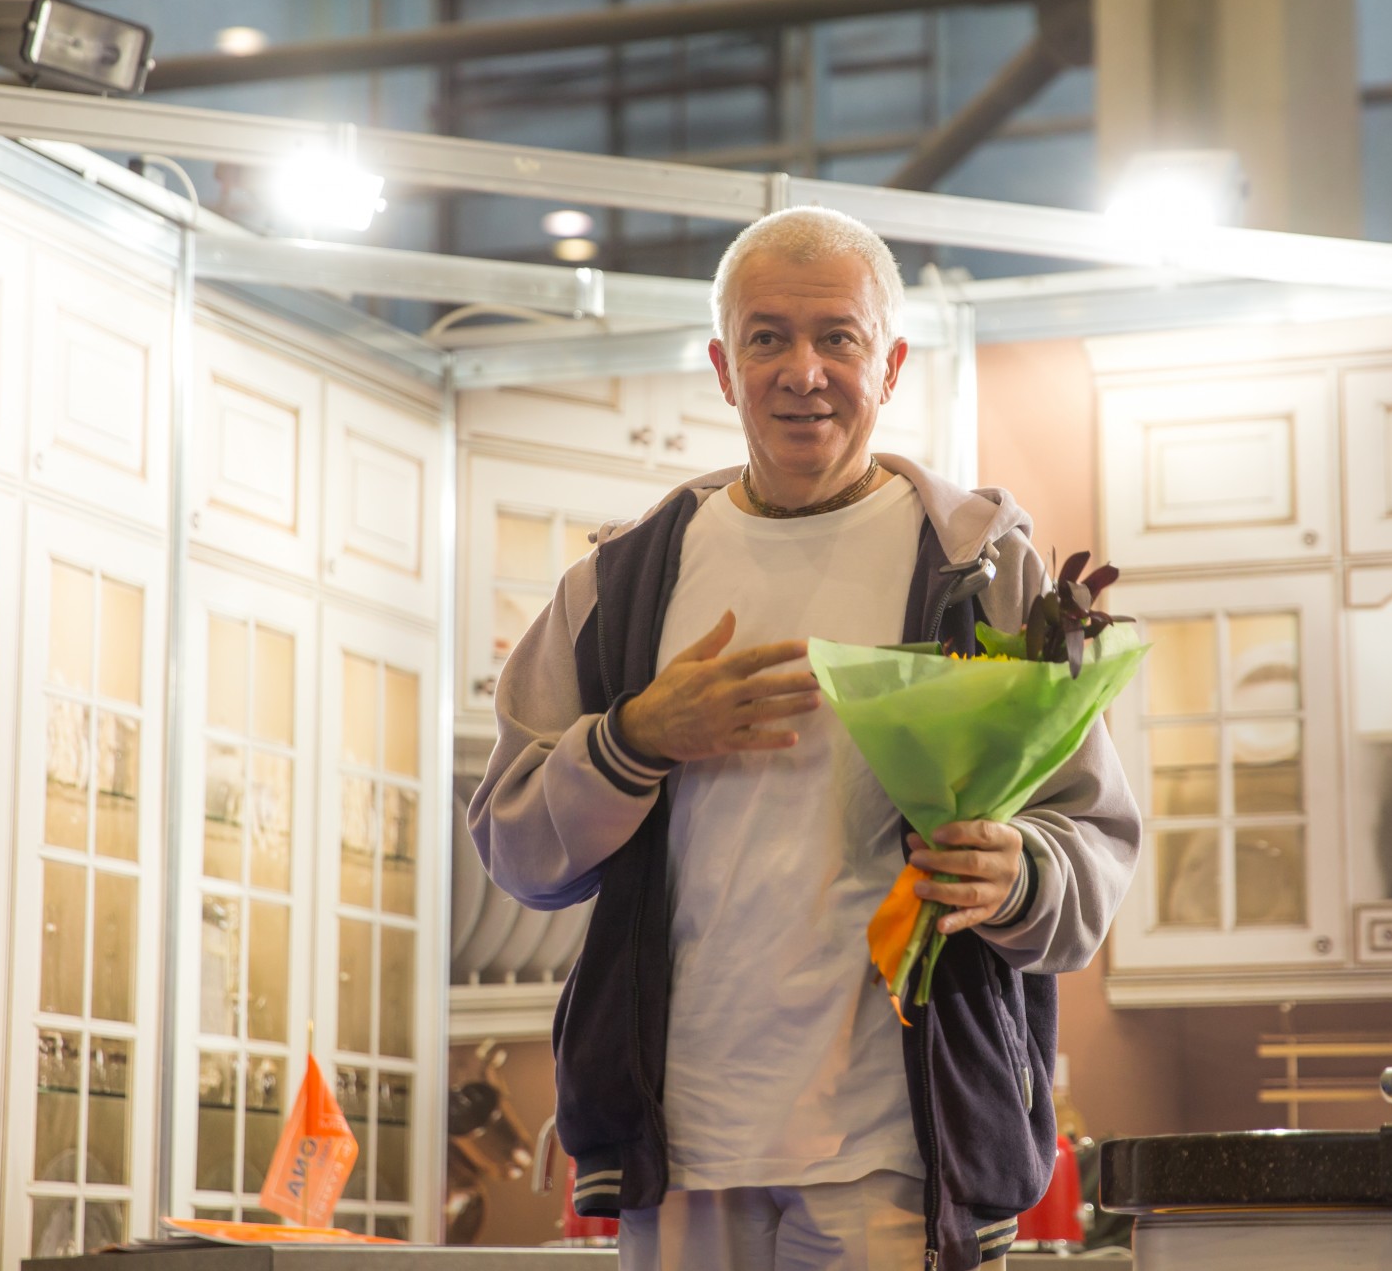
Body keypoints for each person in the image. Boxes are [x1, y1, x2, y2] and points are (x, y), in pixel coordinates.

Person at [469, 205, 1141, 1271]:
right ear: (722, 368)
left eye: (838, 337)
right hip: (675, 1141)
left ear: (891, 364)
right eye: (767, 337)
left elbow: (1095, 840)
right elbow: (515, 850)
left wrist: (1017, 873)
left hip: (902, 1145)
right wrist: (634, 738)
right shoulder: (620, 585)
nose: (804, 371)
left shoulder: (981, 571)